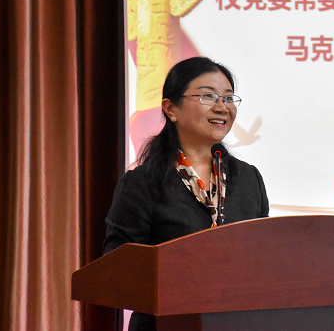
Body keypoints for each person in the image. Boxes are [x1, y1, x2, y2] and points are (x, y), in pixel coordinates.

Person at [103, 57, 269, 331]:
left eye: (228, 98)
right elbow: (118, 268)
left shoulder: (249, 179)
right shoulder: (143, 183)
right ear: (171, 109)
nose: (222, 107)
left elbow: (264, 257)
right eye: (208, 96)